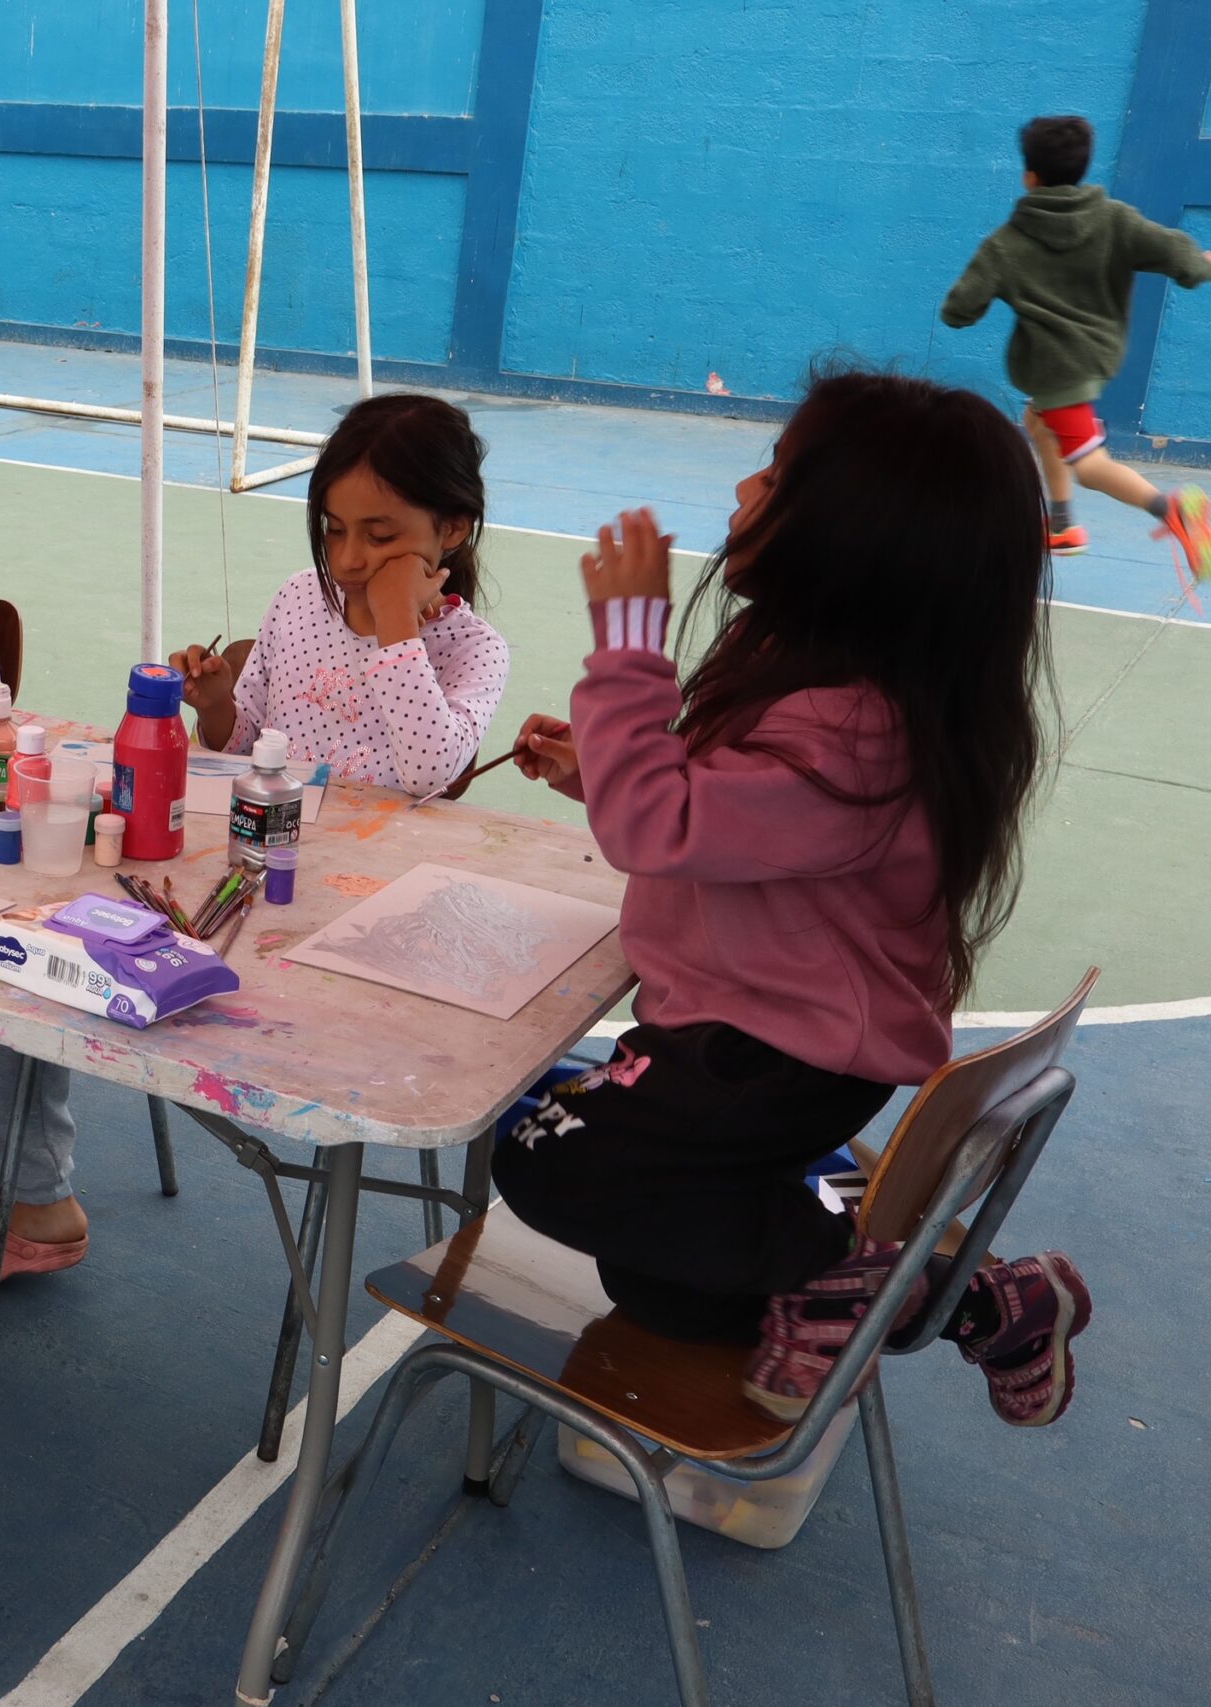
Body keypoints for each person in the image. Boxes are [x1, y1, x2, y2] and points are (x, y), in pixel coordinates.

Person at [497, 369, 1089, 1427]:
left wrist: (628, 640)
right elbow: (722, 817)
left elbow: (661, 827)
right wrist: (607, 767)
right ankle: (967, 1300)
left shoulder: (858, 731)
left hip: (775, 1057)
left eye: (772, 476)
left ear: (854, 539)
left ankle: (854, 1275)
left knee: (544, 1158)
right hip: (757, 1037)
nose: (742, 490)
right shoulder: (820, 677)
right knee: (663, 1286)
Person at [0, 395, 510, 1293]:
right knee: (20, 952)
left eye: (381, 536)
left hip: (355, 936)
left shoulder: (473, 650)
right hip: (236, 893)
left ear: (454, 529)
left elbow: (431, 769)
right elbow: (245, 748)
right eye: (334, 529)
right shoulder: (300, 600)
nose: (349, 561)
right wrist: (215, 707)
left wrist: (399, 625)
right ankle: (40, 1199)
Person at [941, 114, 1211, 571]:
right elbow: (1180, 257)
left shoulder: (1005, 245)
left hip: (1058, 372)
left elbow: (958, 310)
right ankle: (1063, 524)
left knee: (1089, 465)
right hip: (1096, 358)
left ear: (1030, 176)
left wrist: (971, 303)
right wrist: (1201, 262)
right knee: (1039, 421)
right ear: (1083, 167)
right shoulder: (1115, 221)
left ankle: (1174, 509)